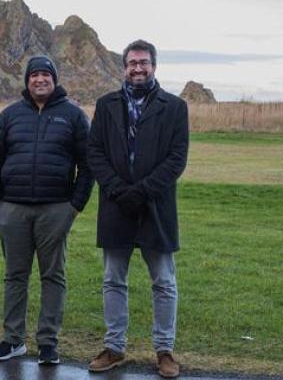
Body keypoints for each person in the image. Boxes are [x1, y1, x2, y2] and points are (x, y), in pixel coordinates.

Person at [86, 40, 189, 378]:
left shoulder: (174, 107)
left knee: (163, 281)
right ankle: (114, 347)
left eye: (143, 62)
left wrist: (142, 191)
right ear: (124, 67)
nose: (138, 68)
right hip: (116, 205)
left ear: (154, 66)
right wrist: (118, 189)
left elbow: (176, 159)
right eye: (132, 63)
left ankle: (165, 350)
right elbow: (95, 153)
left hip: (155, 206)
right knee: (113, 279)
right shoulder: (106, 105)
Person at [0, 56, 94, 365]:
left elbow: (88, 164)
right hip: (13, 209)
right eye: (34, 75)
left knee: (53, 276)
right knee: (15, 276)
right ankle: (13, 339)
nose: (40, 80)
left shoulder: (73, 115)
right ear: (27, 80)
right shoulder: (10, 115)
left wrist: (74, 206)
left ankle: (48, 342)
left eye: (45, 74)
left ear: (54, 79)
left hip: (56, 209)